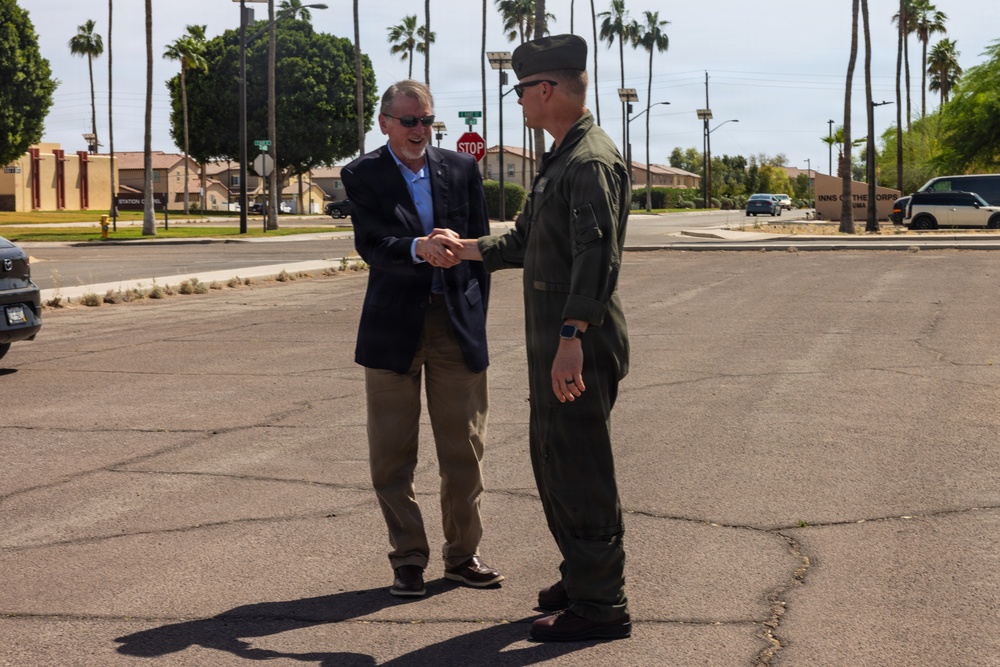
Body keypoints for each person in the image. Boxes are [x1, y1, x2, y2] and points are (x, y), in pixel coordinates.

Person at [437, 35, 631, 641]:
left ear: (545, 89)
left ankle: (601, 604)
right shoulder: (562, 157)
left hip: (579, 339)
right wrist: (466, 250)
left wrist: (572, 336)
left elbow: (597, 255)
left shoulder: (589, 159)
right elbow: (527, 241)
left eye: (522, 91)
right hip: (560, 338)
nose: (518, 102)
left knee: (578, 465)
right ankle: (582, 575)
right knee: (554, 458)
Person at [342, 80, 503, 598]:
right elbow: (372, 244)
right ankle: (408, 557)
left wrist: (474, 312)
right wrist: (419, 247)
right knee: (392, 455)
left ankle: (463, 556)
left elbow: (481, 247)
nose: (419, 130)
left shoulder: (460, 168)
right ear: (385, 122)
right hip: (393, 328)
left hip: (455, 323)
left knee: (465, 449)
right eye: (408, 120)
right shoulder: (362, 173)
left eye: (427, 120)